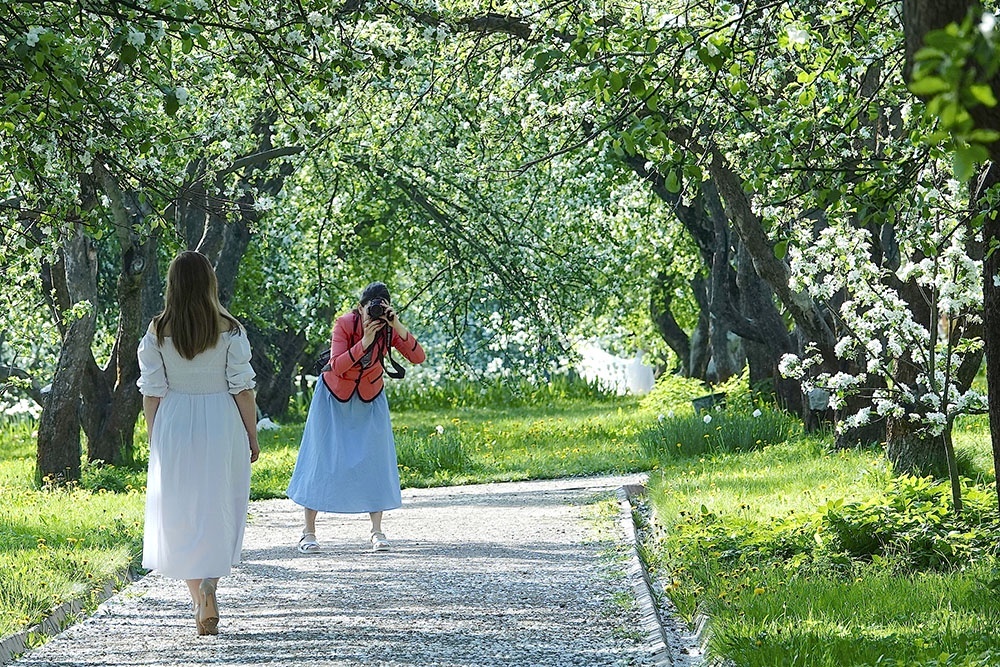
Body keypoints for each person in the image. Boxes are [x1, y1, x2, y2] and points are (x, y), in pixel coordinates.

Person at [137, 251, 260, 636]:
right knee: (218, 504)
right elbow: (243, 389)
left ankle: (198, 599)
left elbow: (152, 392)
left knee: (182, 511)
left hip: (175, 422)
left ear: (172, 285)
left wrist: (155, 436)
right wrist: (251, 435)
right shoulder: (230, 328)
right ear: (210, 282)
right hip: (221, 422)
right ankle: (210, 584)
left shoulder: (157, 331)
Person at [286, 281, 425, 554]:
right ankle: (308, 532)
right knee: (321, 459)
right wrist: (365, 342)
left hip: (370, 396)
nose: (373, 314)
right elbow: (337, 366)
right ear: (359, 307)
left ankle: (377, 531)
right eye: (368, 309)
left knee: (375, 459)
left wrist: (395, 325)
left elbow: (418, 357)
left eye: (380, 309)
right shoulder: (344, 324)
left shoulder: (387, 327)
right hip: (334, 397)